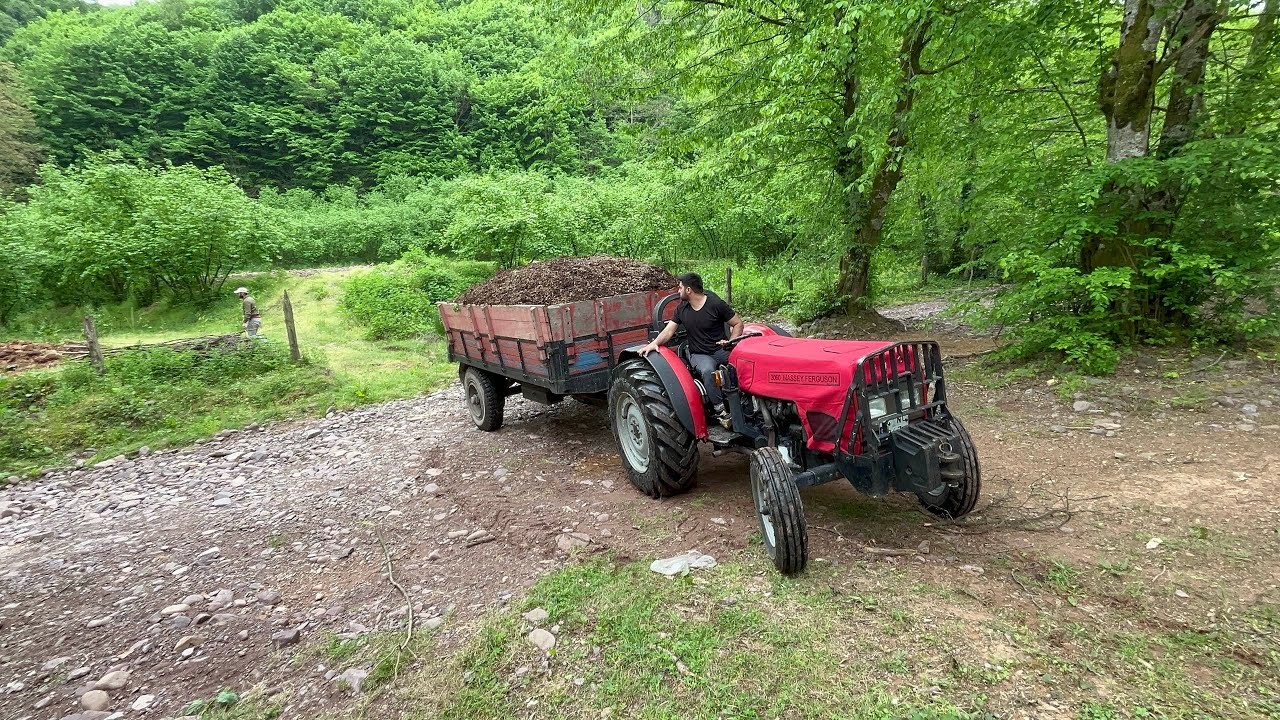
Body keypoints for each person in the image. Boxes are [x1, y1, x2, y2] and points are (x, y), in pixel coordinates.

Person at [640, 272, 743, 427]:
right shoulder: (682, 309)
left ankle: (745, 403)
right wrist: (654, 343)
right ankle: (720, 410)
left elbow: (738, 324)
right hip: (699, 353)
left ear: (689, 290)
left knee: (741, 363)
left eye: (680, 287)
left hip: (720, 350)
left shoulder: (715, 304)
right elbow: (668, 331)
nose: (678, 291)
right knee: (708, 371)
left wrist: (731, 342)